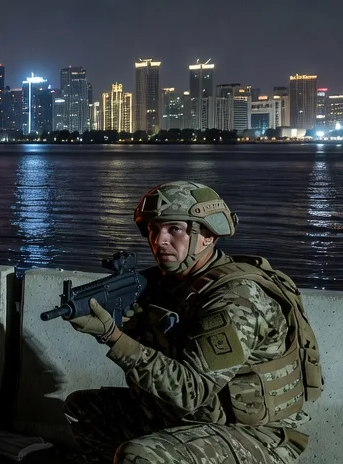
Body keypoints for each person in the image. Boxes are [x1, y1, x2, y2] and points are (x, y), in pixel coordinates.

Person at [60, 181, 322, 463]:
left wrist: (114, 337)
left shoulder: (235, 300)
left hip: (253, 436)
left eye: (175, 229)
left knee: (139, 457)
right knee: (83, 408)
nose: (159, 241)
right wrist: (131, 327)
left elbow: (191, 391)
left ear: (207, 235)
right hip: (196, 418)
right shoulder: (174, 284)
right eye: (153, 229)